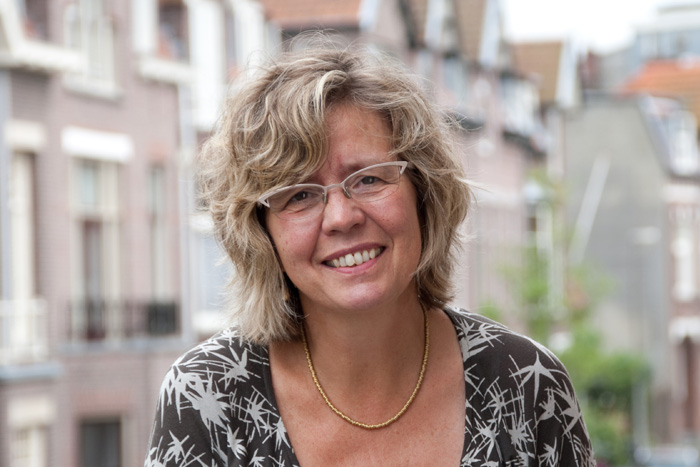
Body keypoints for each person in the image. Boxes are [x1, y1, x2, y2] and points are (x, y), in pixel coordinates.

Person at [145, 40, 595, 466]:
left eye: (368, 179)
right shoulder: (205, 399)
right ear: (261, 232)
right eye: (299, 195)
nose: (341, 217)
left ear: (424, 192)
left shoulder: (528, 384)